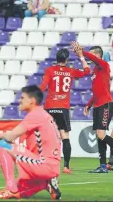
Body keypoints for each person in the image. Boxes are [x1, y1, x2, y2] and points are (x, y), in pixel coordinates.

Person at [0, 85, 61, 200]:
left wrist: (2, 135)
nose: (19, 100)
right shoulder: (43, 115)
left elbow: (10, 137)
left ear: (31, 101)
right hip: (50, 165)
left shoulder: (35, 115)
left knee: (2, 144)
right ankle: (46, 183)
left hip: (43, 164)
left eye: (22, 98)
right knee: (22, 191)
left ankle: (10, 189)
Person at [72, 42, 113, 173]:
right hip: (98, 105)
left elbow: (93, 59)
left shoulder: (104, 65)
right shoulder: (94, 71)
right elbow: (97, 91)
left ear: (98, 56)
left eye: (92, 55)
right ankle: (103, 165)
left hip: (105, 104)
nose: (90, 58)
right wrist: (89, 104)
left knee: (100, 134)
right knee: (100, 136)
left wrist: (82, 52)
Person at [39, 46, 90, 174]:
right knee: (65, 136)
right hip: (63, 108)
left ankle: (44, 163)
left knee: (46, 137)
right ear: (67, 59)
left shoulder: (50, 70)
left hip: (50, 107)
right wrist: (81, 57)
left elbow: (42, 87)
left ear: (56, 58)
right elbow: (87, 71)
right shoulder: (70, 71)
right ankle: (66, 166)